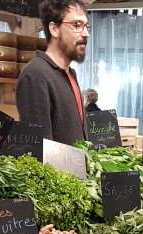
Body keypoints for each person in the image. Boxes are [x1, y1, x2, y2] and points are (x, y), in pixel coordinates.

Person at [16, 0, 89, 145]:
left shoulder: (70, 74)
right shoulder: (35, 75)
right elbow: (38, 148)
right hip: (58, 168)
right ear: (54, 29)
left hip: (76, 167)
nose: (86, 33)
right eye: (77, 25)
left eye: (86, 26)